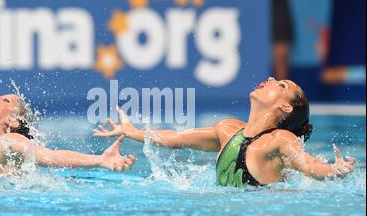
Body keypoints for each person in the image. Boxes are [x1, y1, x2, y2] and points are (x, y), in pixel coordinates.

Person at [94, 77, 356, 187]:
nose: (271, 80)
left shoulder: (279, 140)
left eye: (282, 84)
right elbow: (175, 140)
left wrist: (334, 170)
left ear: (285, 106)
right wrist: (131, 131)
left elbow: (308, 164)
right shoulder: (227, 129)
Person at [0, 92, 135, 184]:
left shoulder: (8, 143)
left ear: (12, 121)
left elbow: (49, 156)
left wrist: (99, 159)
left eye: (3, 99)